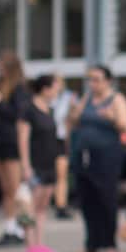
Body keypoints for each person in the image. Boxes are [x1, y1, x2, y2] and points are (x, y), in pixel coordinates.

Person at [68, 65, 126, 252]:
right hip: (84, 155)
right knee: (87, 199)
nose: (92, 83)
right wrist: (73, 111)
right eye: (90, 79)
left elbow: (124, 126)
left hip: (106, 156)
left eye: (96, 79)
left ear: (108, 81)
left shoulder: (116, 99)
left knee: (106, 198)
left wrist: (112, 118)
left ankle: (109, 242)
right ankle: (91, 242)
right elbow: (74, 121)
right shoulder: (87, 98)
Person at [0, 51, 30, 248]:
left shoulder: (19, 89)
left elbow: (18, 115)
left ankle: (20, 228)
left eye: (2, 67)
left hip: (12, 142)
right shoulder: (0, 86)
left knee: (15, 188)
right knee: (5, 189)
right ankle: (10, 227)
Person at [18, 75, 65, 252]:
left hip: (49, 163)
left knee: (42, 207)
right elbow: (23, 139)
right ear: (45, 89)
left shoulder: (51, 110)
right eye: (55, 88)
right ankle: (30, 248)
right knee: (30, 207)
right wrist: (26, 166)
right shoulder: (28, 110)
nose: (57, 92)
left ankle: (40, 244)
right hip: (35, 164)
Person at [49, 75, 75, 219]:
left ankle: (61, 204)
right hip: (46, 139)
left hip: (60, 139)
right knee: (48, 173)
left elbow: (70, 121)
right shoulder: (46, 99)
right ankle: (49, 200)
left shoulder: (68, 98)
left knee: (61, 173)